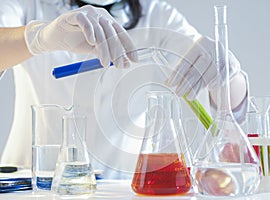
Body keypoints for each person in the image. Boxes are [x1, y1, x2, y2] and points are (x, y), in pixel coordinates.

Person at [0, 0, 248, 178]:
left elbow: (226, 104)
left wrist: (228, 75)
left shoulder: (157, 13)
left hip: (121, 188)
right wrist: (39, 37)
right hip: (31, 184)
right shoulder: (29, 4)